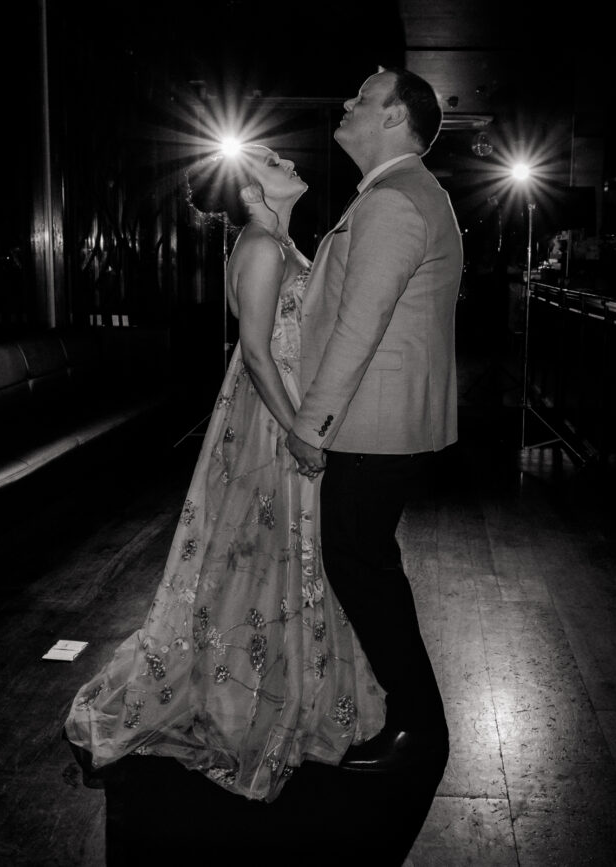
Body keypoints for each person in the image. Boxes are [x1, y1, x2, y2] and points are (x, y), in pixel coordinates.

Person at [63, 144, 385, 802]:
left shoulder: (277, 240)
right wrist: (301, 430)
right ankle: (252, 693)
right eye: (270, 160)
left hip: (285, 405)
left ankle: (285, 680)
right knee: (271, 548)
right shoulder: (262, 247)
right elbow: (257, 353)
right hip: (273, 415)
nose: (286, 161)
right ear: (249, 190)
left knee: (277, 552)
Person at [287, 66, 461, 773]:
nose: (347, 102)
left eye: (363, 97)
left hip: (371, 422)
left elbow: (361, 324)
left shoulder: (393, 200)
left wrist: (311, 423)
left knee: (362, 567)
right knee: (367, 565)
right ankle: (411, 718)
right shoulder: (402, 193)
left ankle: (420, 727)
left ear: (395, 117)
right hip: (381, 421)